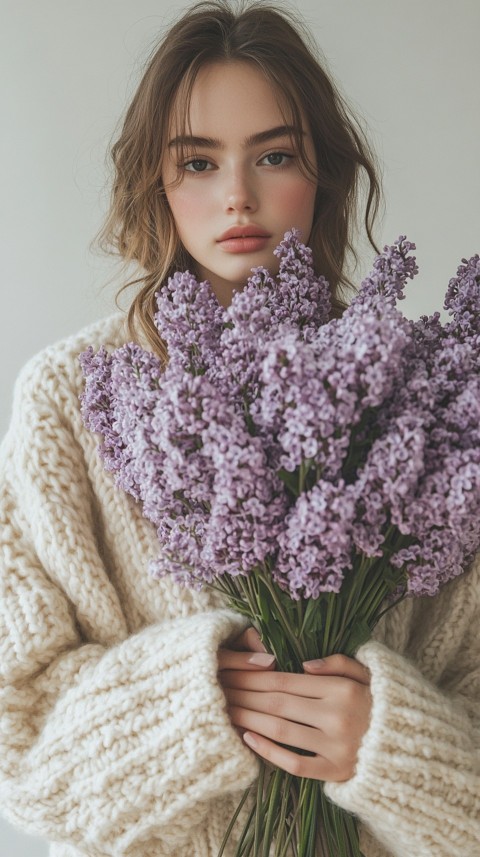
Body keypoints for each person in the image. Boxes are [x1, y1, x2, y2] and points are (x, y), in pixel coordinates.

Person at [0, 2, 478, 856]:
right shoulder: (69, 403)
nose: (237, 196)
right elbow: (17, 732)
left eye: (274, 154)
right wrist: (194, 699)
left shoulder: (432, 406)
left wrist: (395, 743)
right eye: (196, 162)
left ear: (323, 171)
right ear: (153, 179)